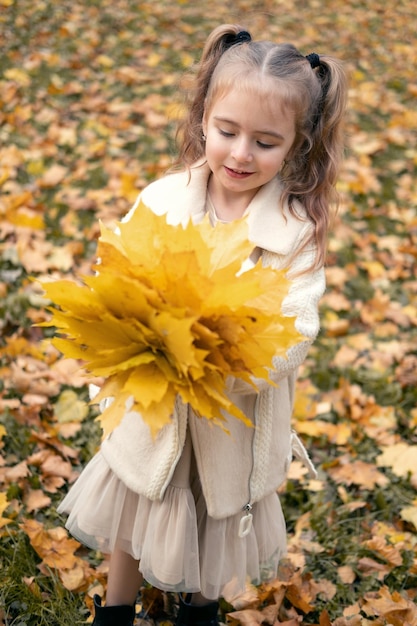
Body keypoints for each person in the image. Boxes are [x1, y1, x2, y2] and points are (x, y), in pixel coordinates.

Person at [57, 23, 347, 626]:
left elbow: (295, 331)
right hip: (155, 411)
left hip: (225, 420)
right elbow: (118, 272)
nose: (241, 154)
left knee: (210, 521)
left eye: (266, 142)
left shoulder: (292, 236)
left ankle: (200, 611)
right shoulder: (165, 199)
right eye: (227, 132)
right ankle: (114, 611)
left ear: (296, 145)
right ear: (203, 120)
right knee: (137, 510)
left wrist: (222, 361)